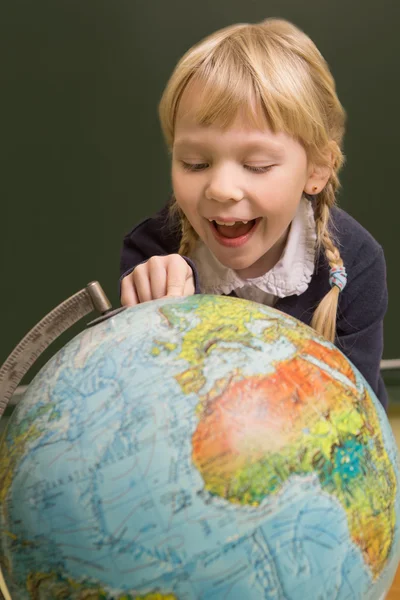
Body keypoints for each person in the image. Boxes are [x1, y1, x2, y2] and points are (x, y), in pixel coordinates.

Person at [119, 18, 388, 409]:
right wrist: (152, 307)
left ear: (316, 170)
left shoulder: (356, 265)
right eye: (195, 163)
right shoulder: (152, 247)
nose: (221, 189)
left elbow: (355, 418)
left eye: (258, 165)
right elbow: (136, 392)